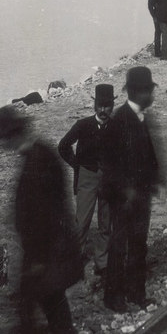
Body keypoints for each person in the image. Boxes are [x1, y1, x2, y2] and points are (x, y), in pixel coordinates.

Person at [0, 107, 82, 334]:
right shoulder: (40, 153)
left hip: (45, 257)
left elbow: (46, 217)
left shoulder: (37, 160)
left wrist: (38, 261)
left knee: (42, 315)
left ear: (11, 136)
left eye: (2, 139)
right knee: (50, 314)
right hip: (49, 254)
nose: (1, 146)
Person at [100, 67, 165, 313]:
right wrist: (125, 190)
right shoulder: (119, 120)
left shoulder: (142, 117)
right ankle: (113, 298)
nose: (152, 95)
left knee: (139, 244)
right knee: (119, 247)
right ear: (138, 92)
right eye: (149, 90)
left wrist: (156, 180)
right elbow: (108, 163)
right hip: (123, 198)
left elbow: (149, 154)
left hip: (141, 195)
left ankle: (137, 294)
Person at [58, 84, 115, 279]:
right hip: (87, 177)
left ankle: (103, 262)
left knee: (106, 223)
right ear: (94, 106)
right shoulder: (83, 125)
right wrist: (76, 165)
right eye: (100, 105)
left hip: (109, 179)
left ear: (112, 106)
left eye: (107, 106)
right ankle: (75, 262)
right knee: (82, 221)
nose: (103, 110)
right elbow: (63, 146)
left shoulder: (118, 127)